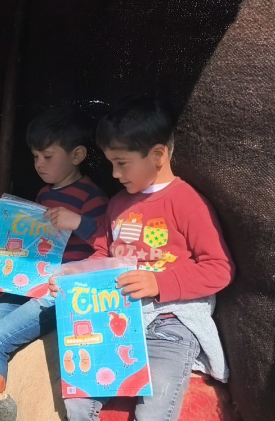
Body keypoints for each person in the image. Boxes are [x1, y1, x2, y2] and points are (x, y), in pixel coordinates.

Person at [49, 97, 235, 421]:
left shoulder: (187, 203)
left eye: (122, 163)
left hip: (170, 324)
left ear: (158, 155)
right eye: (111, 163)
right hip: (115, 319)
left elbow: (220, 269)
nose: (114, 173)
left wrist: (159, 283)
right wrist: (73, 275)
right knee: (78, 399)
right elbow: (104, 255)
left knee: (155, 408)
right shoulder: (117, 204)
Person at [0, 106, 109, 420]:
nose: (39, 164)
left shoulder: (92, 198)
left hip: (59, 292)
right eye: (34, 156)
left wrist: (78, 222)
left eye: (47, 156)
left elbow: (107, 245)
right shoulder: (44, 194)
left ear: (77, 155)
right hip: (29, 284)